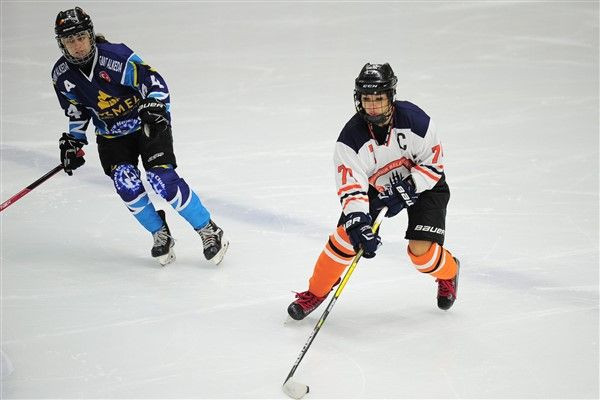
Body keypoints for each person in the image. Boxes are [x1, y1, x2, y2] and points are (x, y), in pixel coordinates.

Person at [51, 7, 228, 266]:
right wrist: (74, 141)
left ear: (90, 35)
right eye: (69, 40)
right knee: (126, 183)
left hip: (146, 123)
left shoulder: (115, 58)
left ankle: (208, 229)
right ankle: (159, 233)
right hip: (111, 136)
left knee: (160, 179)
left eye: (80, 38)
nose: (77, 46)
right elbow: (77, 110)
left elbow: (153, 81)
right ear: (61, 44)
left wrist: (155, 105)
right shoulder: (62, 75)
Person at [287, 63, 460, 320]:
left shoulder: (417, 122)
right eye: (367, 99)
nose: (373, 106)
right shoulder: (350, 139)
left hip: (425, 186)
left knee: (421, 255)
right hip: (377, 188)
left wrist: (410, 186)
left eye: (379, 98)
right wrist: (359, 221)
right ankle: (316, 292)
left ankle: (450, 272)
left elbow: (433, 165)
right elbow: (352, 187)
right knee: (347, 236)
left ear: (391, 96)